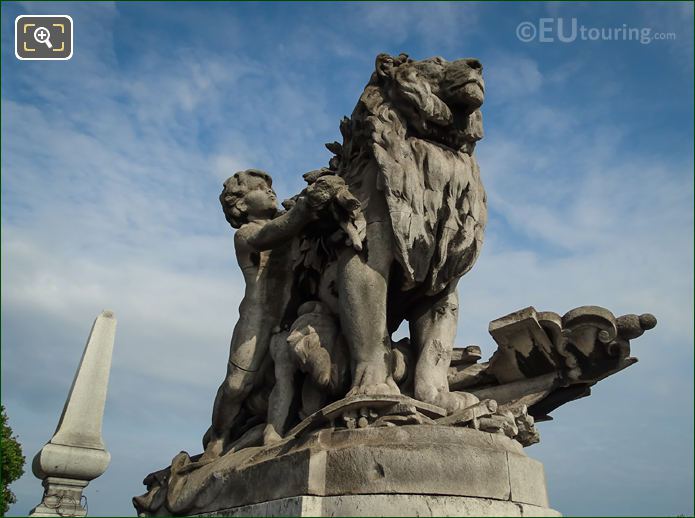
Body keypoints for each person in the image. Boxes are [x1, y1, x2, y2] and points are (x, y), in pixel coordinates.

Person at [201, 169, 321, 460]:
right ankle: (217, 437)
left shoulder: (291, 222)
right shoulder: (246, 234)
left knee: (284, 378)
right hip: (258, 318)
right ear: (240, 205)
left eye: (271, 188)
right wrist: (306, 207)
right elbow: (271, 234)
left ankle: (276, 430)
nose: (270, 192)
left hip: (292, 316)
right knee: (237, 385)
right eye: (259, 188)